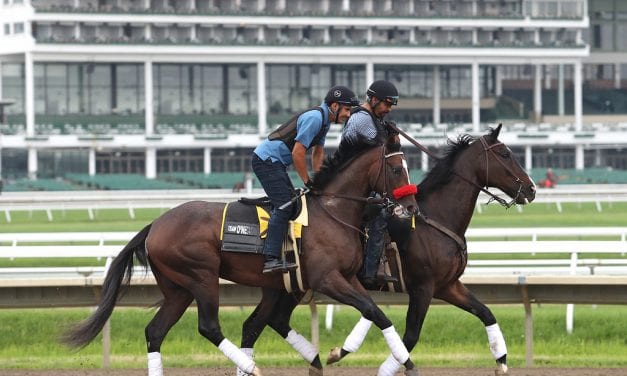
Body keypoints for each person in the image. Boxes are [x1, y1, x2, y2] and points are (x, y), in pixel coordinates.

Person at [252, 85, 359, 273]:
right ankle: (270, 258)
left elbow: (317, 155)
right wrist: (308, 182)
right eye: (347, 109)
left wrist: (320, 181)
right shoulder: (315, 118)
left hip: (275, 163)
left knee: (292, 205)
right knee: (285, 205)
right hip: (266, 161)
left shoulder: (324, 121)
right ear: (334, 106)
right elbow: (298, 153)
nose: (349, 115)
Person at [340, 79, 400, 288]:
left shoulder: (374, 118)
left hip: (361, 184)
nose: (388, 109)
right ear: (373, 100)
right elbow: (384, 151)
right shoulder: (362, 120)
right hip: (349, 187)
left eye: (391, 105)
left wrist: (392, 134)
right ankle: (370, 271)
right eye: (386, 104)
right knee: (383, 211)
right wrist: (392, 136)